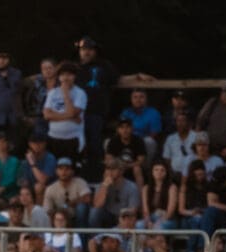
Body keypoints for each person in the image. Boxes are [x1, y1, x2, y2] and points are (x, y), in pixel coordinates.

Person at [74, 36, 120, 181]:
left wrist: (137, 76)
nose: (86, 53)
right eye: (83, 50)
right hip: (77, 114)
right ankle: (79, 177)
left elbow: (117, 79)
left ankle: (96, 178)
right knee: (79, 146)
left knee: (95, 145)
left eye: (89, 49)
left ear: (95, 51)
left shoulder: (104, 66)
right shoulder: (75, 68)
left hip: (96, 113)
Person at [43, 61, 87, 165]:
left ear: (74, 76)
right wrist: (71, 117)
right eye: (62, 75)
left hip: (73, 139)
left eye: (69, 74)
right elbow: (46, 115)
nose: (66, 78)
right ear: (59, 77)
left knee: (71, 169)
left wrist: (66, 93)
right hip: (53, 138)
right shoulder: (52, 93)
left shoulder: (80, 93)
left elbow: (73, 112)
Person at [119, 88, 162, 161]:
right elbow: (121, 130)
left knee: (149, 141)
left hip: (143, 142)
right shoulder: (126, 112)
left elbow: (154, 134)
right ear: (131, 99)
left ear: (146, 99)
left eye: (141, 97)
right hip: (127, 141)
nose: (138, 100)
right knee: (108, 142)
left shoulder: (153, 112)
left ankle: (146, 167)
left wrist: (137, 143)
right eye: (135, 97)